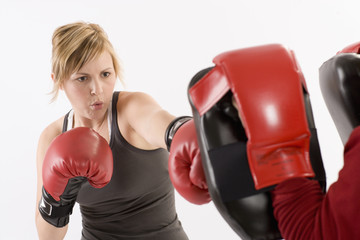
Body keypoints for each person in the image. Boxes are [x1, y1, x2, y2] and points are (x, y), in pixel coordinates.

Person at [35, 21, 192, 240]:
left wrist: (188, 133)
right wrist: (58, 197)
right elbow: (48, 236)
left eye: (105, 74)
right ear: (59, 82)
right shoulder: (52, 138)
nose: (97, 89)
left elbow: (158, 121)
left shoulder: (131, 109)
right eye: (82, 78)